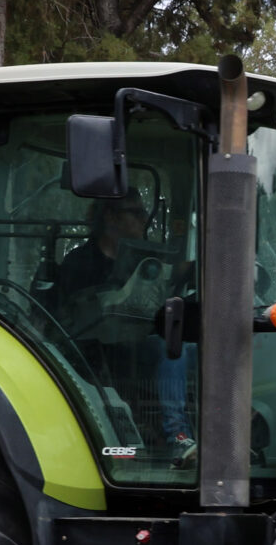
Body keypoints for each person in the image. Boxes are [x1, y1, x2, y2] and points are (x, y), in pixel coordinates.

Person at [58, 195, 196, 460]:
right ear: (111, 217)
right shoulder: (79, 263)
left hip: (140, 340)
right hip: (94, 351)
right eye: (136, 212)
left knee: (205, 343)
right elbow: (75, 315)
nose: (144, 220)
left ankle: (232, 425)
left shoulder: (142, 258)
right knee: (172, 345)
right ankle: (178, 435)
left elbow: (170, 274)